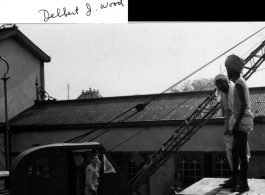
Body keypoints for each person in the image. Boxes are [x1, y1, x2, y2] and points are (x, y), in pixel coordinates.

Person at [221, 54, 254, 193]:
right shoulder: (240, 82)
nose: (227, 72)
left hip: (241, 122)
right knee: (235, 151)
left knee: (240, 153)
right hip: (239, 121)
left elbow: (244, 105)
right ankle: (235, 179)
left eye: (228, 69)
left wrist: (236, 124)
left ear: (232, 70)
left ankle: (244, 183)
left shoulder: (239, 83)